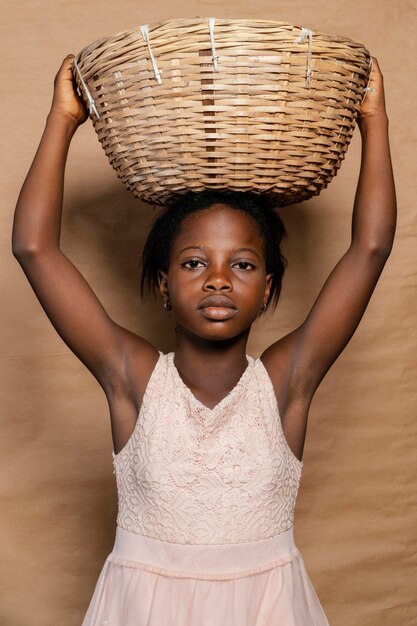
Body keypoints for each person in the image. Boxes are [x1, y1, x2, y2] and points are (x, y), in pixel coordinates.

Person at [12, 53, 396, 625]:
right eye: (195, 262)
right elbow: (34, 249)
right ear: (165, 287)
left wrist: (375, 122)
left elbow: (369, 249)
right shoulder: (134, 377)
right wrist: (63, 118)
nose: (218, 278)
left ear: (267, 291)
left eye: (242, 265)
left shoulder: (287, 382)